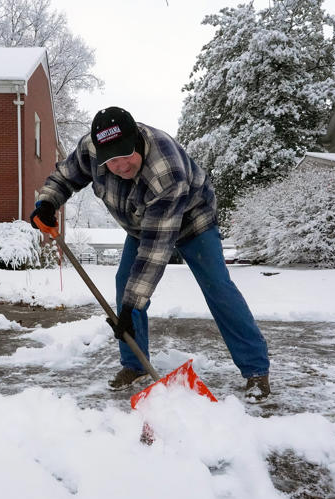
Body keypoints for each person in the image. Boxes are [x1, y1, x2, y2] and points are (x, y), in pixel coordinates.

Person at [30, 107, 271, 401]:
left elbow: (155, 252)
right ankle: (135, 364)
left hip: (194, 222)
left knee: (218, 287)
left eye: (125, 155)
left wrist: (131, 307)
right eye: (111, 160)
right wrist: (48, 202)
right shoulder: (91, 149)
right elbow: (65, 177)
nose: (119, 166)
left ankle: (256, 370)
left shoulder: (165, 169)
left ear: (137, 139)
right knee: (124, 284)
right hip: (142, 223)